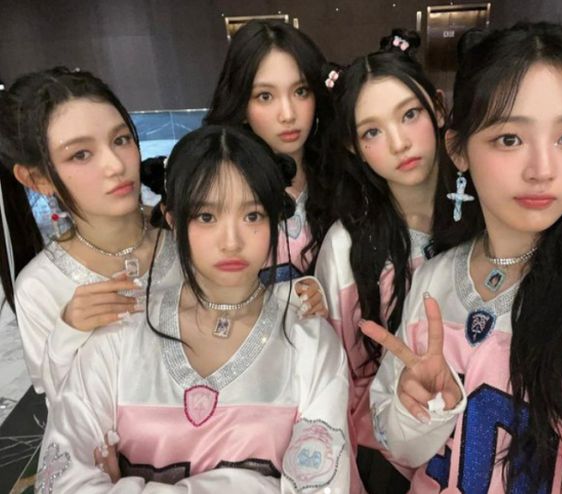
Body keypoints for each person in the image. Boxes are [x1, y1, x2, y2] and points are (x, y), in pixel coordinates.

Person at [367, 22, 562, 493]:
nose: (543, 170)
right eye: (510, 139)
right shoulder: (433, 281)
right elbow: (400, 449)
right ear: (458, 150)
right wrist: (423, 409)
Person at [37, 125, 351, 492]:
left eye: (252, 216)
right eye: (206, 216)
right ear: (172, 219)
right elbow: (60, 481)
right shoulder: (120, 335)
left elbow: (324, 487)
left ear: (273, 218)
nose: (231, 241)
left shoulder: (310, 341)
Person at [314, 29, 449, 491]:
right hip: (384, 452)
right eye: (372, 131)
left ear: (438, 108)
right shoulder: (346, 247)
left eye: (410, 115)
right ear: (353, 146)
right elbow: (337, 376)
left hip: (477, 445)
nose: (398, 142)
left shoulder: (489, 221)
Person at [0, 67, 181, 401]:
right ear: (37, 179)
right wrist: (68, 331)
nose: (116, 165)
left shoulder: (186, 236)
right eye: (80, 154)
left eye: (121, 140)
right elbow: (56, 401)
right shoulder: (40, 287)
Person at [204, 20, 336, 279]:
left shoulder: (343, 175)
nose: (288, 114)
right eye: (265, 96)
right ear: (241, 105)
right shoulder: (219, 188)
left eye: (300, 91)